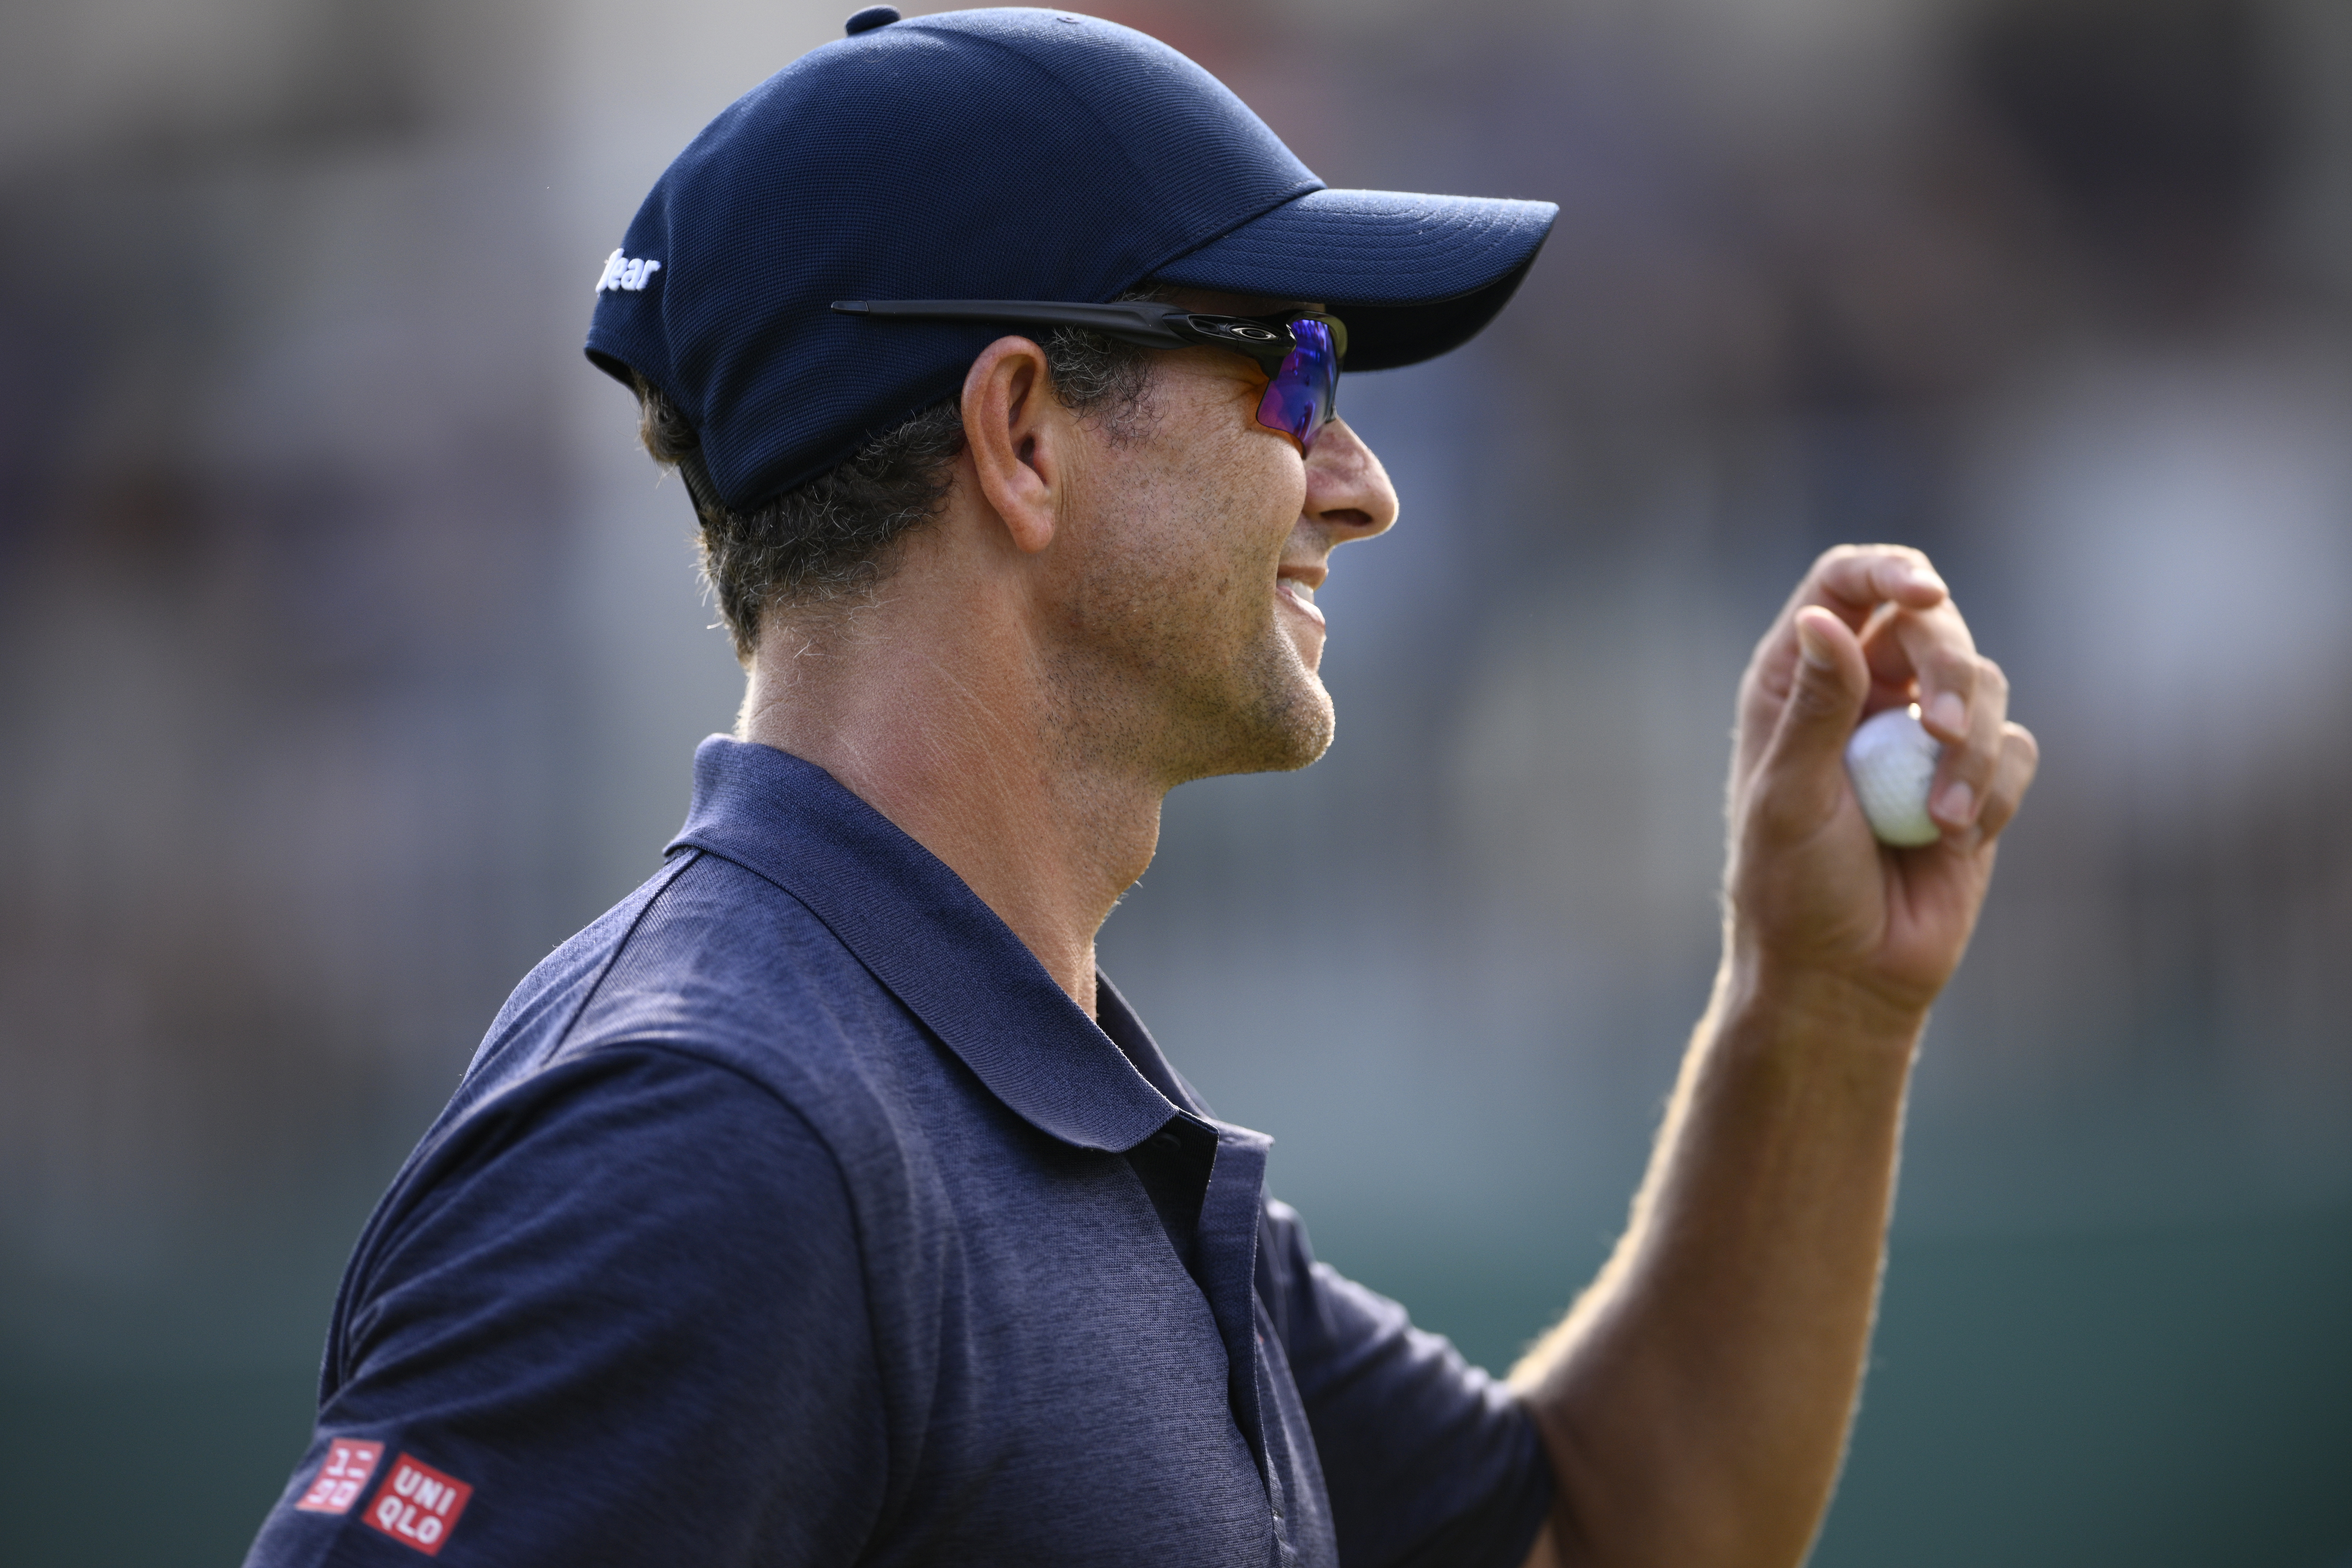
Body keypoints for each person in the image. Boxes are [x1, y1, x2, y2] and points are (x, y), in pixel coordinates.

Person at [243, 9, 2037, 1568]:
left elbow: (1615, 1532)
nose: (1359, 485)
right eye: (1295, 366)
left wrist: (1822, 1006)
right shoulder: (711, 1132)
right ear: (1022, 438)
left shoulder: (1018, 1091)